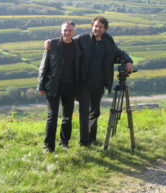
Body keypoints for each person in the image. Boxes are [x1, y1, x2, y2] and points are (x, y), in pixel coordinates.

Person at [45, 16, 133, 146]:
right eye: (96, 26)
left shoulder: (108, 42)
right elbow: (66, 40)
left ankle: (92, 139)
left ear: (104, 29)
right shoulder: (83, 39)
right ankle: (84, 142)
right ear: (92, 26)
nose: (98, 28)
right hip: (84, 83)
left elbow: (119, 52)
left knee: (95, 113)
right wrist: (49, 42)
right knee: (84, 113)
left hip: (99, 83)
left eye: (101, 27)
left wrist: (129, 60)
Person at [38, 21, 81, 153]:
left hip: (70, 87)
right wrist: (41, 85)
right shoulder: (52, 45)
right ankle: (49, 146)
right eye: (65, 30)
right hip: (53, 86)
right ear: (61, 31)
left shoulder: (77, 46)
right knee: (52, 116)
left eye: (70, 30)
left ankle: (64, 142)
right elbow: (43, 66)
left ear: (73, 32)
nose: (67, 33)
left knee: (67, 117)